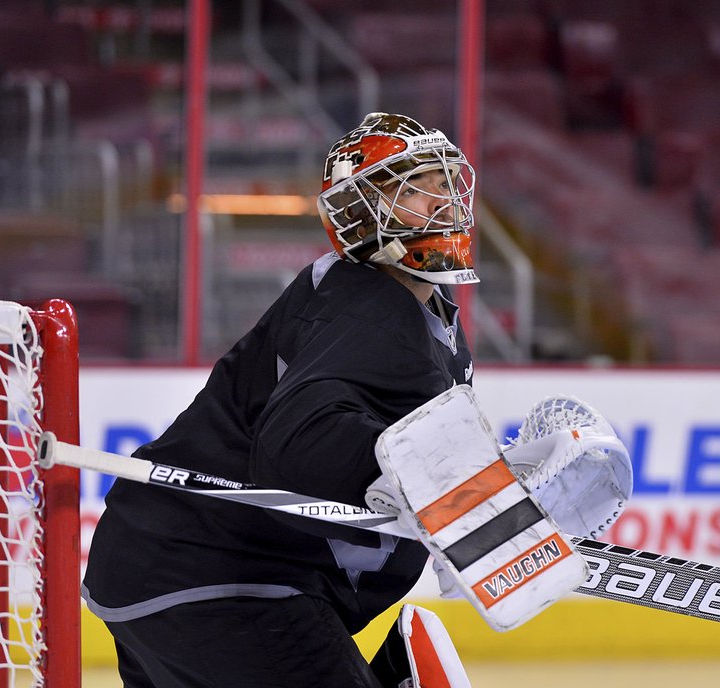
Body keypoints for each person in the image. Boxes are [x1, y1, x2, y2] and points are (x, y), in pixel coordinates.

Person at [82, 112, 479, 687]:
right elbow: (297, 442)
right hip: (221, 578)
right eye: (414, 185)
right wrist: (431, 478)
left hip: (170, 566)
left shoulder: (413, 315)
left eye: (445, 181)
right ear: (360, 212)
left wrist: (474, 484)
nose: (442, 198)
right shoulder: (371, 304)